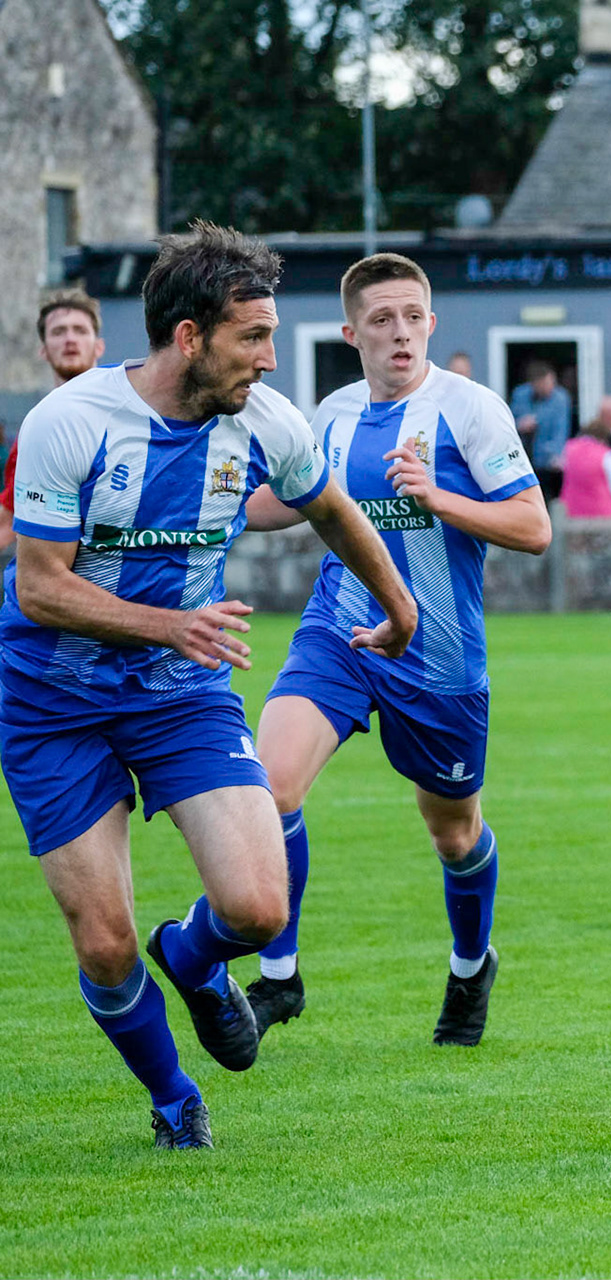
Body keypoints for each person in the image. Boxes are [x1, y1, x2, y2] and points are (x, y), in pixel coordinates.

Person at [0, 222, 415, 1149]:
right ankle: (174, 1097)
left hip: (179, 691)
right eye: (252, 338)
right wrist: (168, 623)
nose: (269, 360)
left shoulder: (265, 422)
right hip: (51, 701)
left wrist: (401, 607)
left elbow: (333, 510)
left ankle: (190, 959)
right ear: (190, 337)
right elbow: (39, 584)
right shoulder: (67, 423)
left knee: (259, 908)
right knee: (103, 945)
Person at [240, 253, 551, 1049]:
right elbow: (283, 500)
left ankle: (471, 963)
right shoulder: (332, 415)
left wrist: (437, 494)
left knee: (453, 834)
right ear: (353, 333)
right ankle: (279, 980)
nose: (401, 332)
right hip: (341, 633)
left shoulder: (471, 410)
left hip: (440, 657)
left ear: (433, 323)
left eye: (414, 316)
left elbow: (534, 527)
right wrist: (209, 508)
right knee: (268, 788)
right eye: (382, 319)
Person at [0, 293, 109, 553]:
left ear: (98, 346)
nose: (70, 339)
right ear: (44, 350)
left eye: (80, 330)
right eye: (58, 331)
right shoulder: (34, 432)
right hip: (51, 579)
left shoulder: (130, 417)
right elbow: (8, 521)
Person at [509, 359, 572, 500]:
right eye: (545, 384)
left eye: (551, 383)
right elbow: (508, 423)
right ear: (534, 384)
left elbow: (561, 430)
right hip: (521, 457)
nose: (549, 387)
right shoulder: (520, 395)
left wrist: (557, 454)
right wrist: (520, 425)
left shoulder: (560, 399)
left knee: (547, 496)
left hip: (547, 460)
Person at [558, 399, 611, 518]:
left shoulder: (568, 449)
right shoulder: (607, 455)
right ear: (603, 438)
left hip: (572, 514)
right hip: (602, 515)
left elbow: (562, 471)